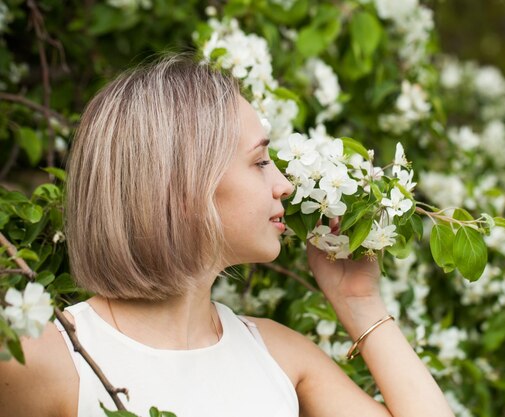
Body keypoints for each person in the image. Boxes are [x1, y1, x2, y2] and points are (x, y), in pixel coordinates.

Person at [0, 56, 454, 417]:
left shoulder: (278, 357)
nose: (286, 185)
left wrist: (358, 301)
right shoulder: (45, 361)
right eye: (260, 162)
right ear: (183, 186)